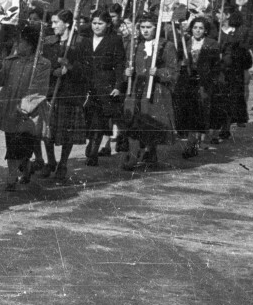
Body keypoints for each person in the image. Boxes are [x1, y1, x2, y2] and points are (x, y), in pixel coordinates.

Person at [0, 23, 52, 190]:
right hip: (11, 107)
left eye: (21, 42)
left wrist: (25, 107)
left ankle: (26, 168)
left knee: (25, 144)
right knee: (12, 142)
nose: (17, 45)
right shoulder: (10, 62)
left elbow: (39, 88)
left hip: (29, 111)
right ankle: (12, 177)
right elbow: (0, 80)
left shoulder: (42, 64)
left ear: (31, 44)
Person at [121, 11, 178, 170]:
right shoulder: (134, 46)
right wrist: (127, 72)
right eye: (142, 27)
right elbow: (128, 66)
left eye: (149, 27)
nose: (145, 30)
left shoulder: (166, 46)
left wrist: (159, 72)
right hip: (136, 89)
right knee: (134, 121)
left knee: (151, 123)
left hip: (155, 91)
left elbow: (173, 72)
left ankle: (150, 152)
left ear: (156, 28)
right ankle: (132, 157)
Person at [38, 9, 88, 181]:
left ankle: (63, 163)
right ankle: (50, 160)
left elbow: (87, 70)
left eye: (55, 22)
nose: (52, 26)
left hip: (70, 93)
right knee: (47, 129)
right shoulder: (49, 42)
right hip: (51, 91)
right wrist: (54, 71)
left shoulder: (81, 42)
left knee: (68, 131)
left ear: (67, 23)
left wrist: (70, 68)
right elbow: (41, 66)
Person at [83, 9, 127, 166]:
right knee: (89, 117)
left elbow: (120, 64)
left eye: (100, 23)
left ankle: (94, 150)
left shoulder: (114, 40)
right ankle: (91, 143)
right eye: (94, 23)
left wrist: (118, 86)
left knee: (99, 119)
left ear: (108, 24)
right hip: (88, 84)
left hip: (106, 85)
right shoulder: (86, 40)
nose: (96, 26)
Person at [173, 15, 219, 159]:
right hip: (187, 81)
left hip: (202, 83)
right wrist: (181, 63)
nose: (197, 31)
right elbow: (178, 59)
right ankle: (192, 141)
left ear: (205, 31)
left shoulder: (211, 44)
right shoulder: (185, 42)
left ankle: (192, 144)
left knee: (199, 111)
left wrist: (210, 77)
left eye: (201, 28)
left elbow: (216, 65)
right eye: (195, 28)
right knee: (189, 111)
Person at [213, 12, 251, 140]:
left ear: (227, 15)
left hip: (233, 72)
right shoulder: (215, 29)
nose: (217, 15)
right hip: (218, 70)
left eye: (219, 12)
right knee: (216, 98)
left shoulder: (240, 31)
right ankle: (215, 127)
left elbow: (243, 51)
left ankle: (226, 127)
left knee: (229, 99)